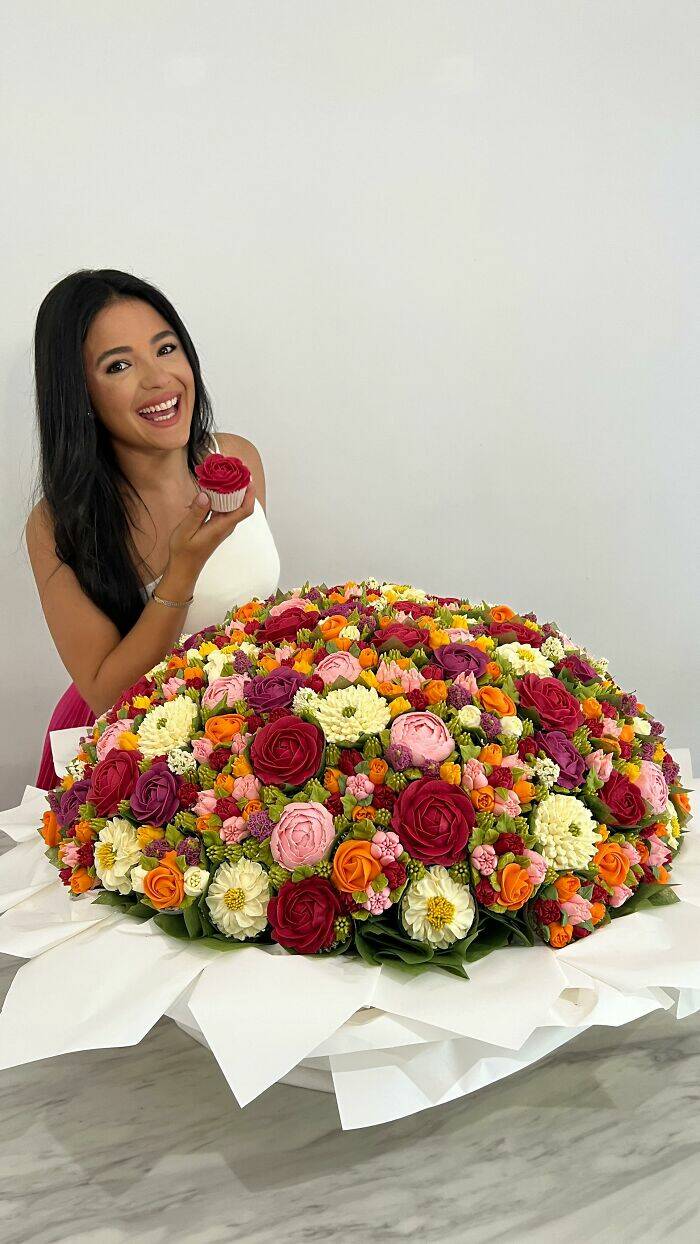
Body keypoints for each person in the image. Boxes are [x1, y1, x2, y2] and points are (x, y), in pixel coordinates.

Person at [23, 268, 281, 791]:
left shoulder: (237, 457)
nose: (159, 379)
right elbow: (105, 694)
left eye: (165, 349)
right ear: (81, 394)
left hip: (237, 730)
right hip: (128, 750)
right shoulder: (58, 523)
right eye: (119, 365)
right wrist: (183, 567)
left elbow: (257, 617)